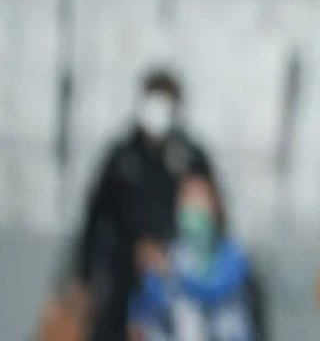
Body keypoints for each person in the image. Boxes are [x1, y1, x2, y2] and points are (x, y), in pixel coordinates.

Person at [73, 68, 216, 341]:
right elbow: (95, 218)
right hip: (121, 275)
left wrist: (170, 252)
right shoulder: (121, 158)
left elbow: (210, 217)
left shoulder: (191, 158)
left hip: (178, 278)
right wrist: (85, 275)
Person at [129, 169, 259, 341]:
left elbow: (214, 289)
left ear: (216, 206)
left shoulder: (233, 256)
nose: (193, 208)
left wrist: (171, 272)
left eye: (200, 199)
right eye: (187, 199)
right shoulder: (171, 254)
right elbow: (147, 305)